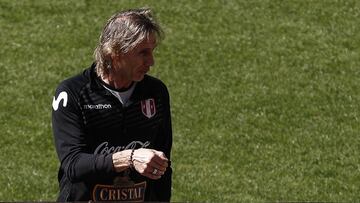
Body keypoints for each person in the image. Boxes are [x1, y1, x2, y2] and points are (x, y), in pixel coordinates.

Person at [52, 8, 172, 202]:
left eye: (152, 51)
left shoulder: (155, 92)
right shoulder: (73, 93)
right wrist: (130, 157)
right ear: (115, 52)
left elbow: (163, 165)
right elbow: (73, 165)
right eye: (143, 52)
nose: (151, 61)